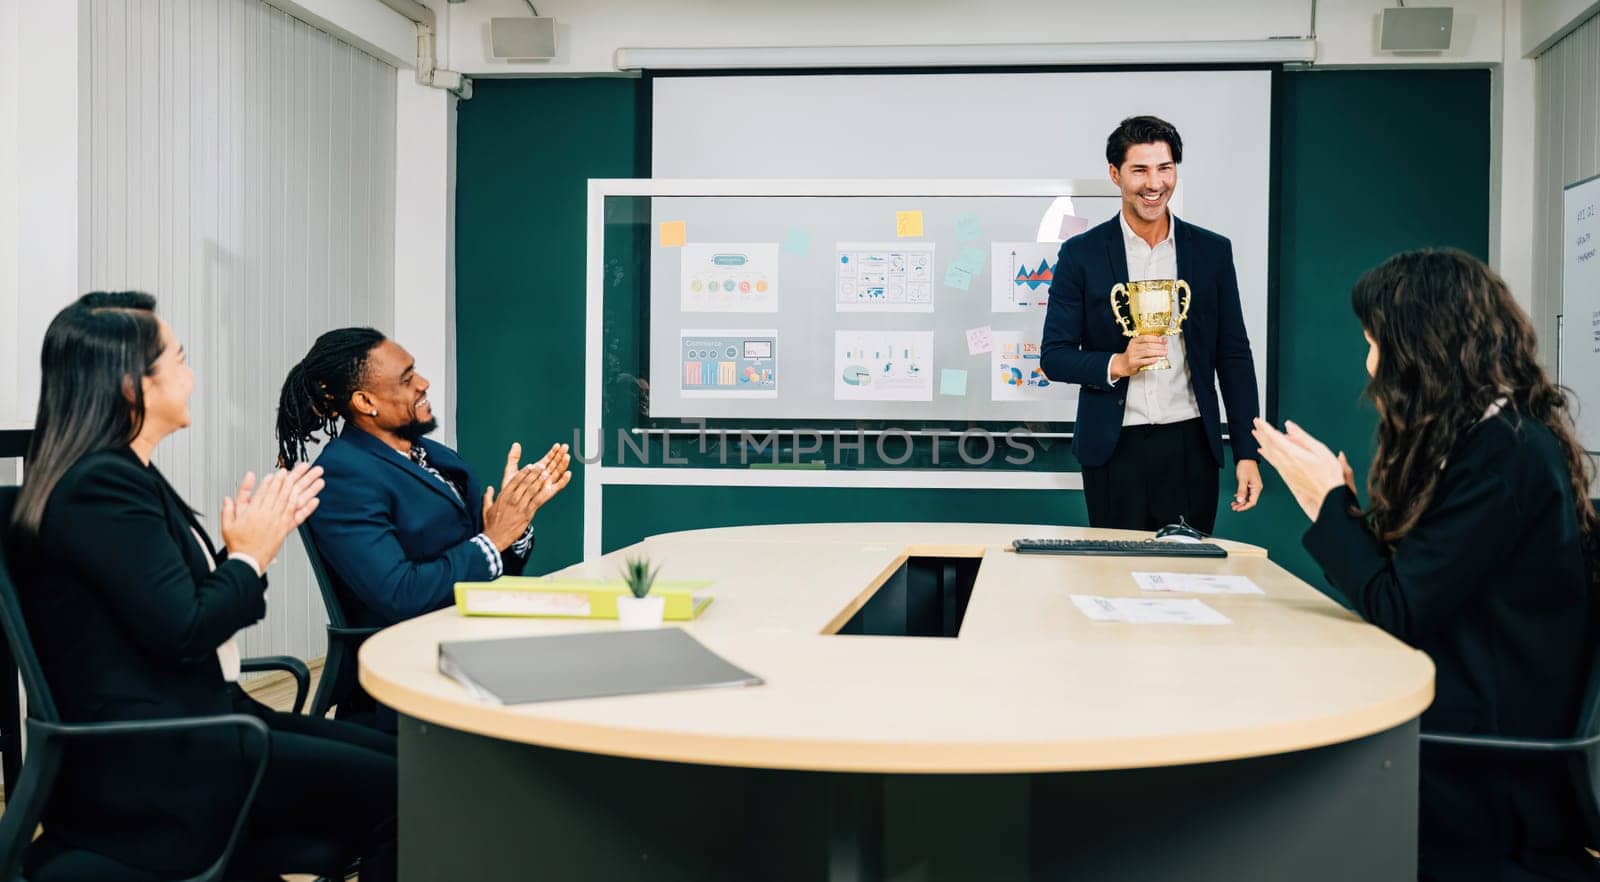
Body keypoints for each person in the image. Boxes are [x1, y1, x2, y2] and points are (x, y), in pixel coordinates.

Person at [5, 292, 397, 880]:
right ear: (133, 387)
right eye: (180, 361)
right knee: (411, 794)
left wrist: (238, 553)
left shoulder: (117, 474)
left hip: (207, 722)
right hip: (170, 758)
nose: (192, 377)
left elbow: (165, 609)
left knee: (406, 770)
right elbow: (186, 629)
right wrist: (249, 556)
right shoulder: (99, 486)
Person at [1253, 250, 1600, 881]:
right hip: (1475, 732)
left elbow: (1400, 608)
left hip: (1481, 773)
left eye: (1374, 344)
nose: (1369, 364)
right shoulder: (1497, 439)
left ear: (1421, 349)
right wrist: (1345, 511)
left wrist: (1325, 504)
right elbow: (1420, 583)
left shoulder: (1502, 457)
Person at [1040, 115, 1262, 534]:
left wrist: (1248, 452)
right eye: (1140, 170)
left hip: (1190, 444)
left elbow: (1233, 355)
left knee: (1188, 580)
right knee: (1114, 578)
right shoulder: (1080, 255)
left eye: (1165, 168)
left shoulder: (1211, 252)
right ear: (1115, 174)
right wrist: (1117, 364)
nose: (1154, 183)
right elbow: (1055, 356)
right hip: (1114, 447)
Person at [275, 327, 570, 629]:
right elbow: (400, 595)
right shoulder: (341, 476)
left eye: (414, 370)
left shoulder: (437, 457)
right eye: (406, 380)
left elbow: (487, 565)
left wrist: (513, 524)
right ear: (365, 402)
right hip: (410, 654)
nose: (423, 383)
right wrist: (493, 539)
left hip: (474, 630)